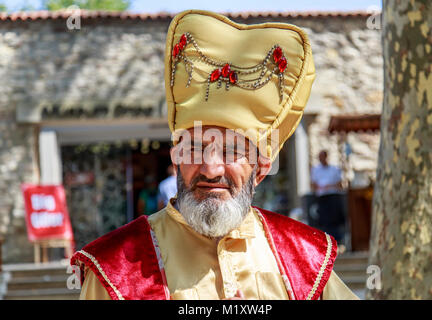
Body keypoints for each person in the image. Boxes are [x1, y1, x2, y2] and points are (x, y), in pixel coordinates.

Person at [71, 10, 358, 300]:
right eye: (194, 148)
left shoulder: (304, 260)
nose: (210, 168)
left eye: (232, 150)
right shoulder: (115, 269)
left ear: (260, 169)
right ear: (176, 159)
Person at [310, 150, 346, 244]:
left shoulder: (334, 169)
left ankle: (337, 239)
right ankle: (326, 239)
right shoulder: (316, 170)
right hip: (322, 197)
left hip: (333, 196)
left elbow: (339, 184)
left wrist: (328, 187)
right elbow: (314, 184)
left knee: (334, 218)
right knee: (324, 219)